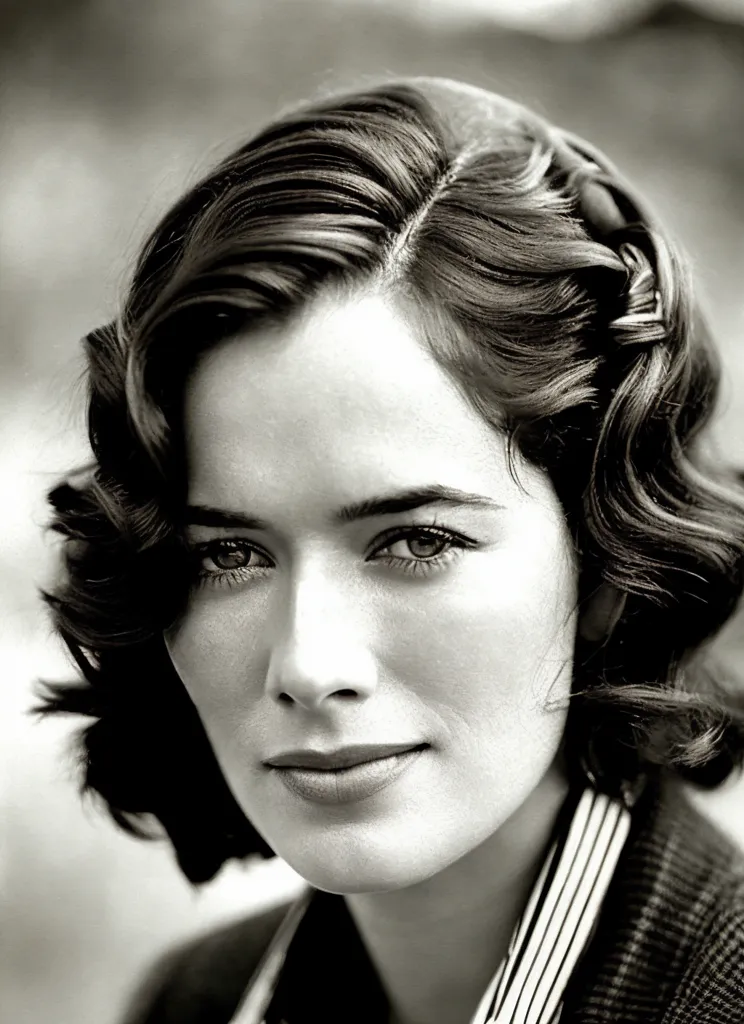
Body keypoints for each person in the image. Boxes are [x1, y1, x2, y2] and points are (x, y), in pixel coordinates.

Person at [38, 76, 744, 1023]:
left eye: (417, 540)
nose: (307, 665)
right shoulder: (190, 1002)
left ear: (609, 563)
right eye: (229, 556)